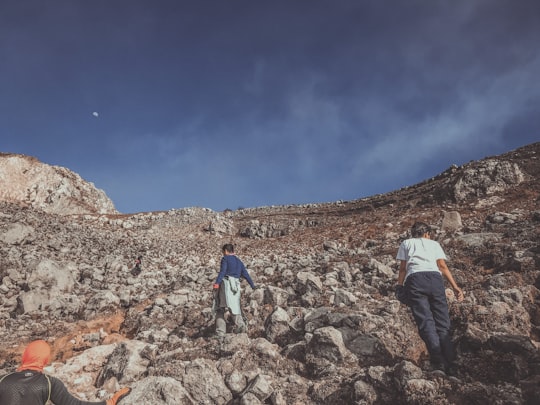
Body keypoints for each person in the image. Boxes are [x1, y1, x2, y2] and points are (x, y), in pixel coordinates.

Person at [396, 221, 464, 375]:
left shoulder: (406, 243)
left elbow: (402, 269)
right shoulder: (434, 244)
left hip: (415, 280)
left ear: (413, 234)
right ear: (427, 233)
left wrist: (399, 287)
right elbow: (442, 266)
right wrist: (455, 286)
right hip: (435, 279)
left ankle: (438, 362)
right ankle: (451, 363)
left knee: (426, 321)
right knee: (443, 321)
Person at [0, 340, 131, 405]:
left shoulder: (3, 379)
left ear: (24, 357)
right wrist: (110, 402)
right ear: (45, 360)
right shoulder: (49, 383)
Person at [212, 243, 257, 337]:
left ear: (225, 251)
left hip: (226, 285)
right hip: (236, 287)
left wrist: (217, 283)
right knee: (235, 308)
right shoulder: (239, 261)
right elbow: (246, 274)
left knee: (220, 308)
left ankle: (220, 332)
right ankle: (241, 325)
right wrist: (252, 285)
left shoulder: (225, 259)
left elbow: (223, 271)